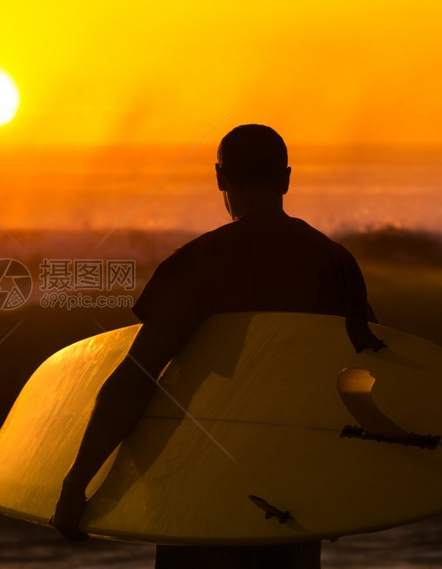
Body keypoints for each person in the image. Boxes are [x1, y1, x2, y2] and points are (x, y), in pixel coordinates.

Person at [50, 124, 378, 568]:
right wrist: (343, 489)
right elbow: (361, 379)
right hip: (290, 492)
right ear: (286, 178)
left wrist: (77, 482)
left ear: (221, 177)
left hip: (199, 486)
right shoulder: (335, 261)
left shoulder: (199, 261)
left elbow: (137, 378)